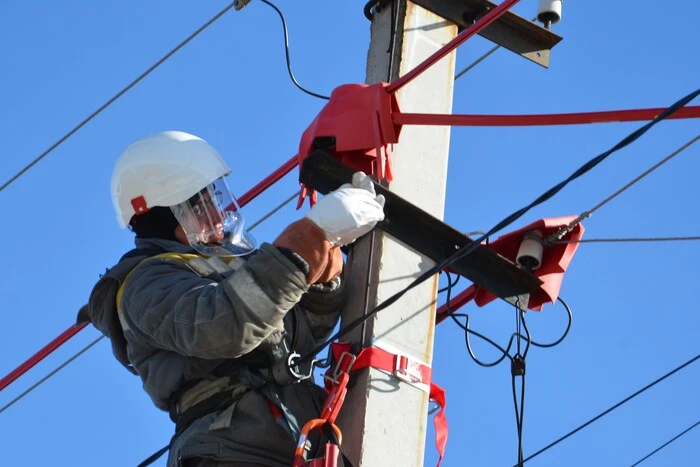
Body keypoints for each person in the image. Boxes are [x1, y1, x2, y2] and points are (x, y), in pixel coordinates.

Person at [78, 130, 385, 466]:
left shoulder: (224, 267)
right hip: (228, 448)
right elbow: (225, 324)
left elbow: (299, 331)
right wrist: (308, 238)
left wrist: (324, 273)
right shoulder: (145, 285)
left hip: (290, 437)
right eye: (200, 204)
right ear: (166, 214)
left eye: (215, 197)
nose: (217, 214)